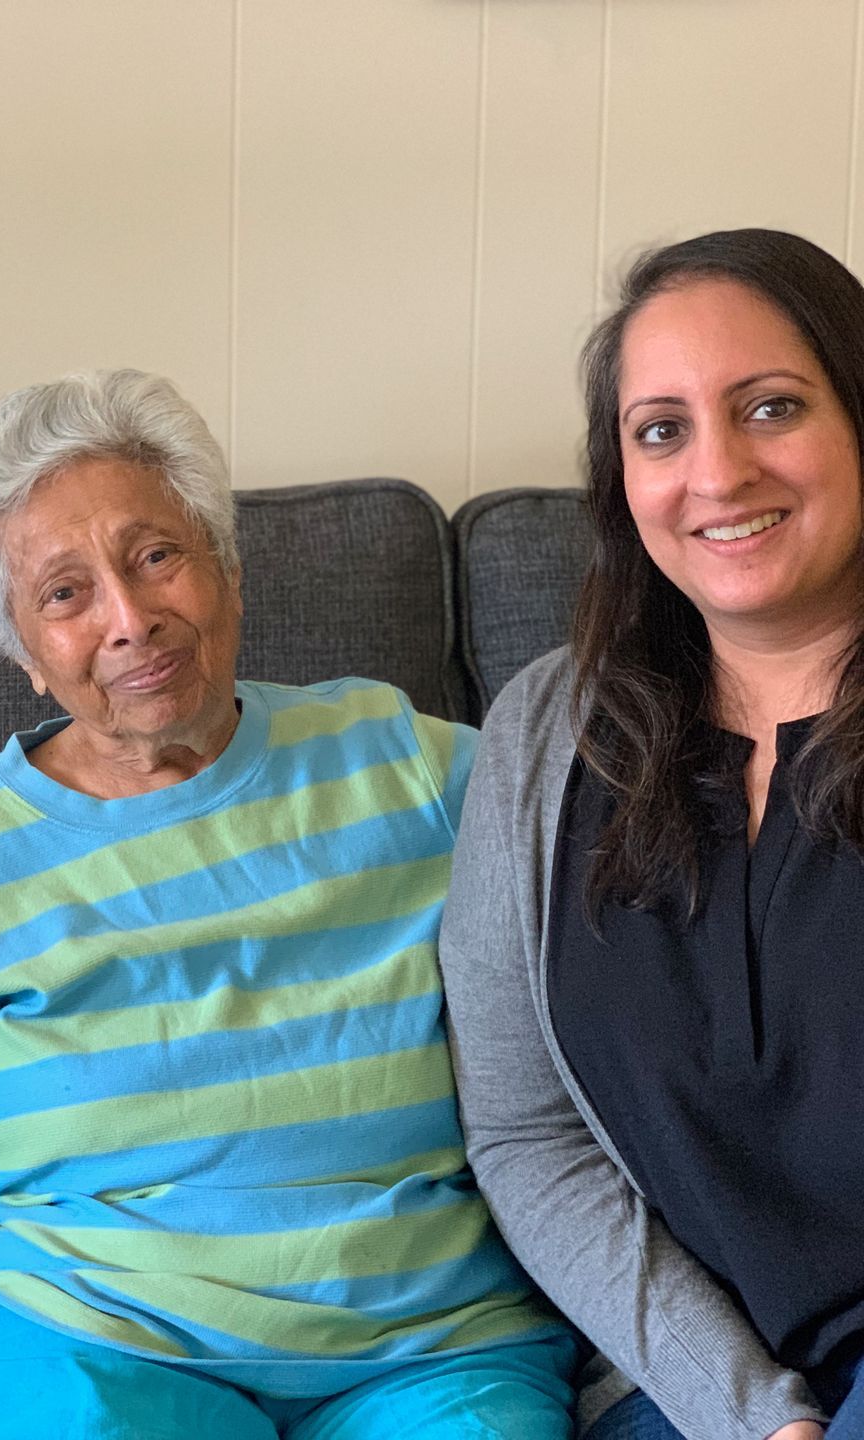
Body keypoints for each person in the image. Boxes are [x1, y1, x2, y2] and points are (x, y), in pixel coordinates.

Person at [0, 369, 576, 1440]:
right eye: (65, 594)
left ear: (229, 571)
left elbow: (627, 840)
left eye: (156, 556)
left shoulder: (407, 764)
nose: (130, 620)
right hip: (90, 1347)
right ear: (24, 653)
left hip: (425, 1347)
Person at [438, 228, 864, 1440]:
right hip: (688, 1389)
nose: (717, 473)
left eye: (772, 407)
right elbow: (528, 1133)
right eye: (662, 430)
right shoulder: (544, 735)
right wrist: (755, 1417)